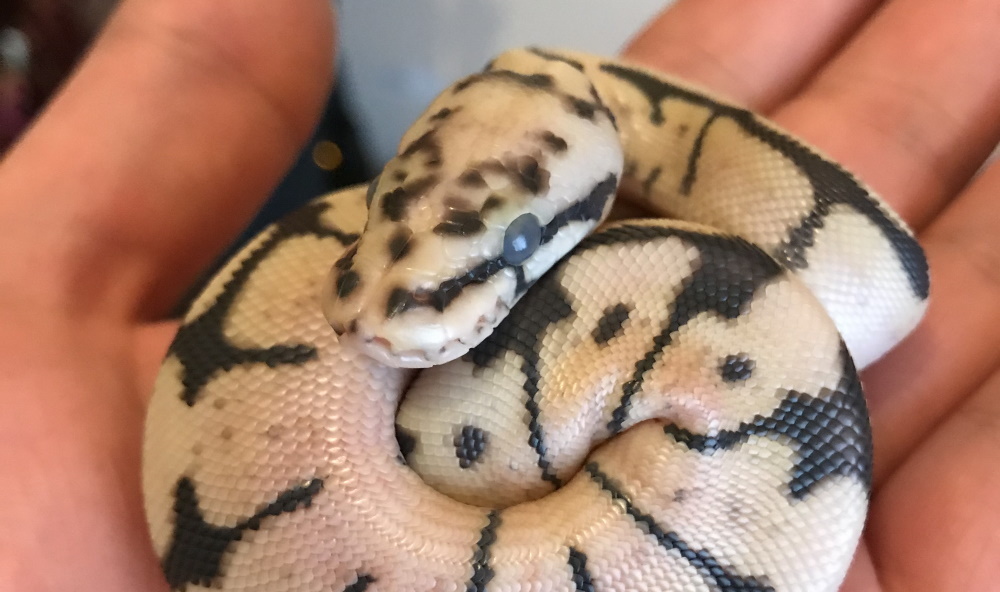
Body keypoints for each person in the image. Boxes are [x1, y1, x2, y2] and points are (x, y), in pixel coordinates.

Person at [0, 1, 996, 590]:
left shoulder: (821, 279)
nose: (382, 322)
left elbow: (875, 292)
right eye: (386, 226)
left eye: (507, 258)